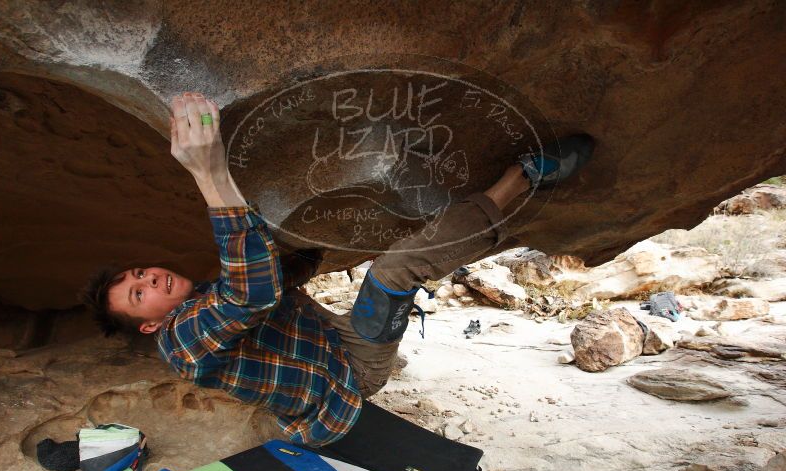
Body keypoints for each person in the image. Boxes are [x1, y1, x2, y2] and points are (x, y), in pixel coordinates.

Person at [81, 91, 594, 446]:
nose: (148, 280)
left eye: (141, 274)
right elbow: (251, 296)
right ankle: (522, 179)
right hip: (351, 373)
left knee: (353, 256)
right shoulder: (181, 344)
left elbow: (277, 276)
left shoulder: (206, 297)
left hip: (332, 338)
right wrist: (211, 171)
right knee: (393, 272)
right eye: (137, 294)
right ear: (148, 323)